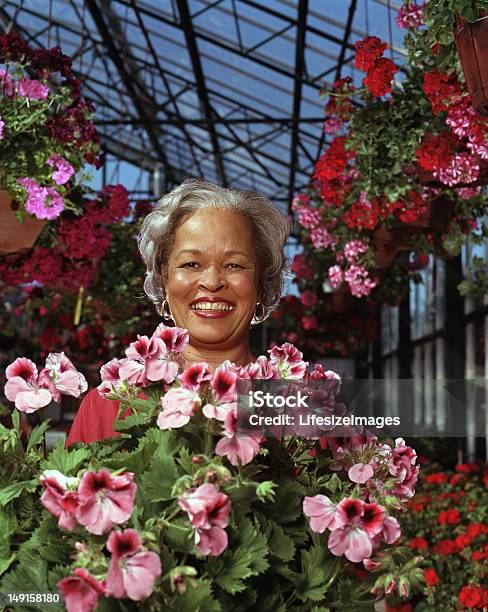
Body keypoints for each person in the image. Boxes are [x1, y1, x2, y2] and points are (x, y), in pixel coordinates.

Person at [66, 178, 291, 445]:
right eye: (191, 263)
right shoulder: (107, 406)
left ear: (262, 285)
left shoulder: (306, 406)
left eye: (234, 265)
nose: (211, 281)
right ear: (163, 280)